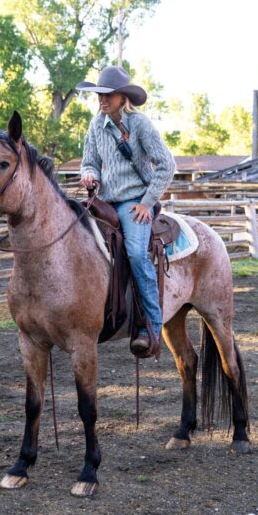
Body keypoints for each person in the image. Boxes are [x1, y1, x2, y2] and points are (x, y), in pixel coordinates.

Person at [76, 65, 176, 358]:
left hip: (134, 203)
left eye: (108, 95)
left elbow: (167, 165)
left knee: (135, 253)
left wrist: (146, 202)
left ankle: (151, 324)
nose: (102, 100)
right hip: (104, 202)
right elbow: (89, 162)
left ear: (123, 98)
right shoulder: (96, 125)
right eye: (99, 95)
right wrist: (89, 174)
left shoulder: (140, 124)